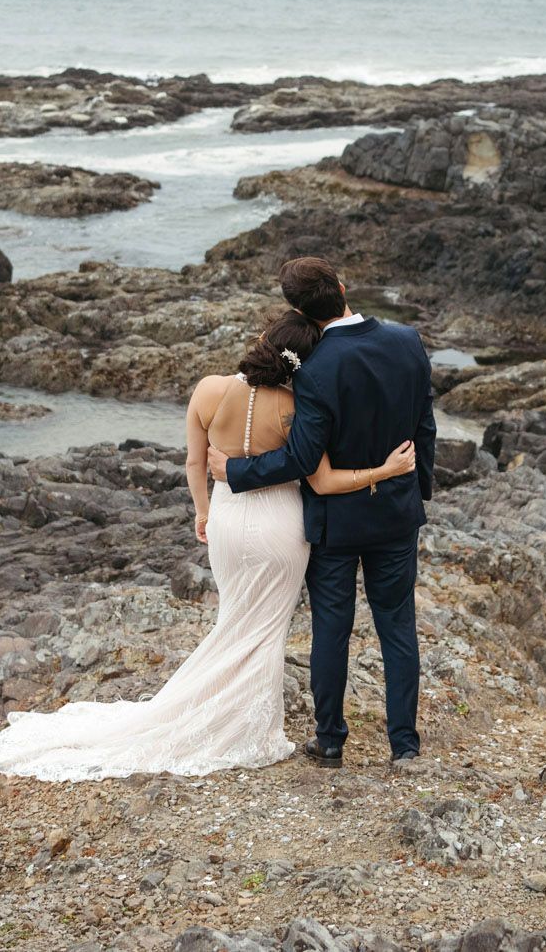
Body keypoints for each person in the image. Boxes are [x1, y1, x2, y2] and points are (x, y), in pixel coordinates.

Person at [0, 308, 415, 781]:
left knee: (232, 619)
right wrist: (384, 472)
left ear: (261, 340)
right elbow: (324, 479)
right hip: (280, 525)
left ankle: (223, 714)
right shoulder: (295, 404)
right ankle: (252, 727)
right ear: (302, 361)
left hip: (228, 523)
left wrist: (203, 512)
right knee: (265, 632)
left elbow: (194, 464)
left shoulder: (208, 390)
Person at [209, 256, 436, 768]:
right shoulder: (407, 341)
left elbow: (302, 458)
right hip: (397, 515)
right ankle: (405, 746)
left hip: (335, 522)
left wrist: (238, 472)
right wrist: (416, 488)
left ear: (300, 311)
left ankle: (330, 741)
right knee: (397, 627)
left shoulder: (314, 369)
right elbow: (425, 423)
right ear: (342, 284)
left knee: (331, 630)